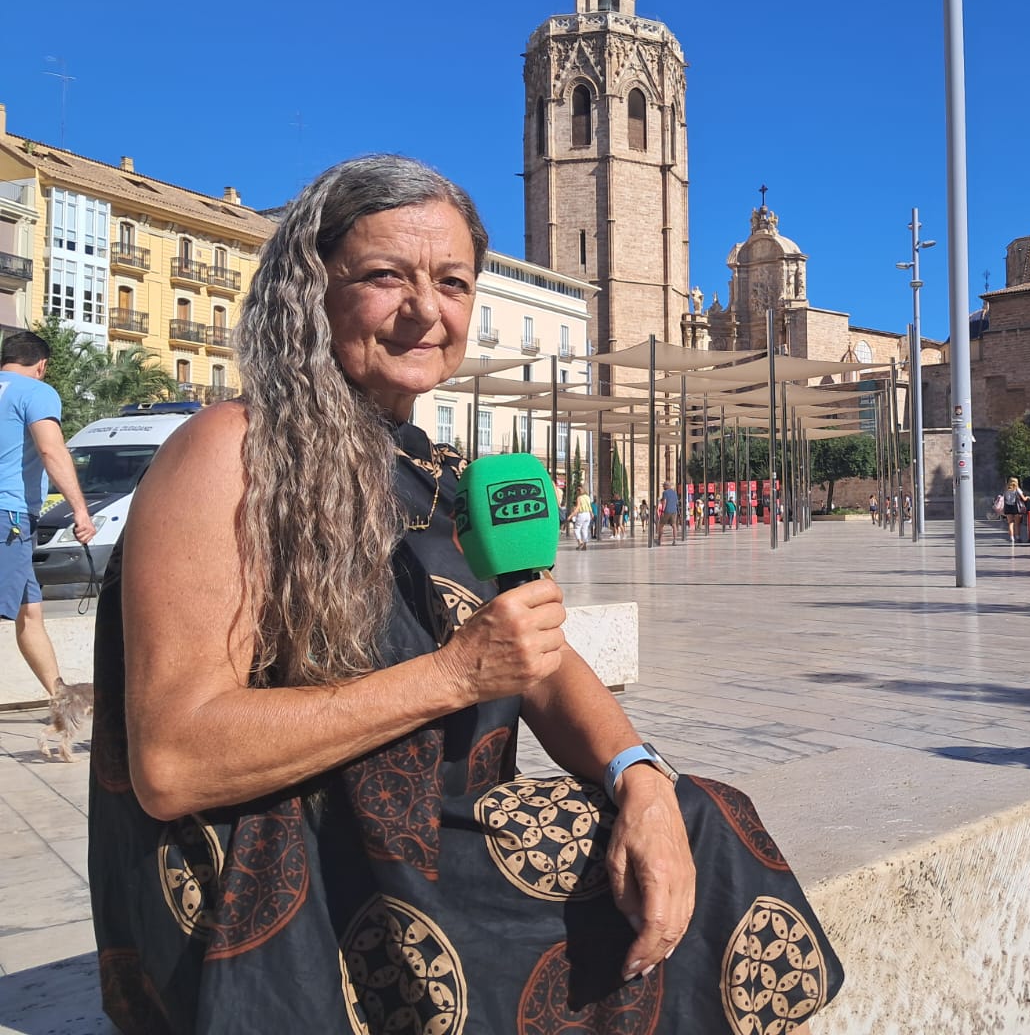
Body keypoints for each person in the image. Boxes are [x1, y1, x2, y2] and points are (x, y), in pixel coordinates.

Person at [86, 156, 841, 1033]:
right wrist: (452, 676)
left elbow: (537, 659)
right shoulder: (235, 447)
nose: (425, 311)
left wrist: (636, 773)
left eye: (451, 282)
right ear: (310, 291)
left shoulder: (444, 474)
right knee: (699, 856)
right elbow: (173, 762)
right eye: (382, 277)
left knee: (693, 817)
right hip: (288, 883)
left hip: (418, 840)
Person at [0, 332, 95, 703]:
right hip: (9, 516)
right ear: (41, 365)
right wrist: (80, 509)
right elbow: (50, 449)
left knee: (30, 614)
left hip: (11, 518)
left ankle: (61, 699)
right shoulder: (37, 392)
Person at [1001, 476, 1029, 543]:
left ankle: (1011, 538)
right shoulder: (1017, 489)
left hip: (1008, 507)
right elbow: (1024, 499)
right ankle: (1018, 537)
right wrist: (1027, 497)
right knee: (1017, 523)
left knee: (1010, 523)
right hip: (1016, 507)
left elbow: (1004, 497)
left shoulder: (1006, 489)